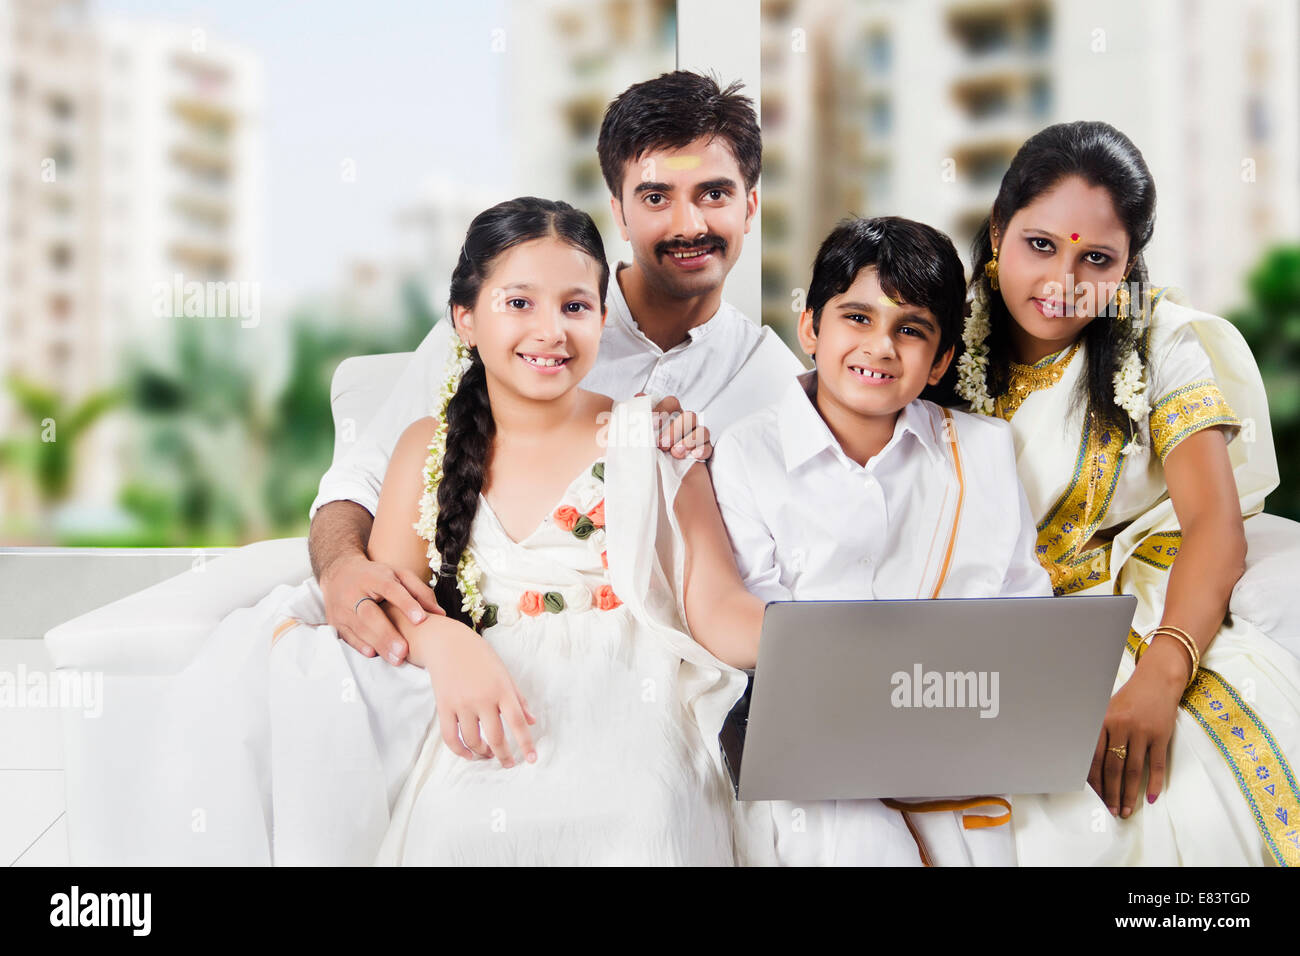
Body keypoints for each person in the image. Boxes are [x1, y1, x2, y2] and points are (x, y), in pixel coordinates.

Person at [270, 196, 765, 864]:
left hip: (637, 697)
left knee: (646, 818)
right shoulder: (429, 447)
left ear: (602, 318)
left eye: (575, 306)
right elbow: (393, 594)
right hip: (492, 695)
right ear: (465, 319)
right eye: (519, 303)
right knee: (455, 832)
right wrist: (444, 641)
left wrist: (827, 633)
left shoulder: (651, 434)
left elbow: (718, 608)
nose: (550, 331)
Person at [309, 70, 803, 670]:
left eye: (714, 194)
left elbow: (741, 584)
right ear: (619, 213)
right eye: (655, 197)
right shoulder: (491, 336)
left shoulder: (776, 382)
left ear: (750, 206)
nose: (688, 225)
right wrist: (342, 571)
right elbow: (361, 480)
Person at [950, 120, 1300, 866]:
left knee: (1177, 793)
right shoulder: (938, 329)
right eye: (1040, 244)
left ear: (1129, 265)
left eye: (1097, 259)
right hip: (972, 624)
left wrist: (1161, 674)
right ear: (997, 231)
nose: (1063, 282)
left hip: (1131, 616)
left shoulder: (1159, 340)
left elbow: (1213, 524)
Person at [674, 216, 1053, 866]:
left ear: (939, 362)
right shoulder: (747, 453)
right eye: (857, 318)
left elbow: (1025, 611)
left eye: (911, 330)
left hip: (959, 734)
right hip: (817, 740)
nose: (881, 347)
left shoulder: (983, 451)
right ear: (811, 328)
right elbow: (765, 636)